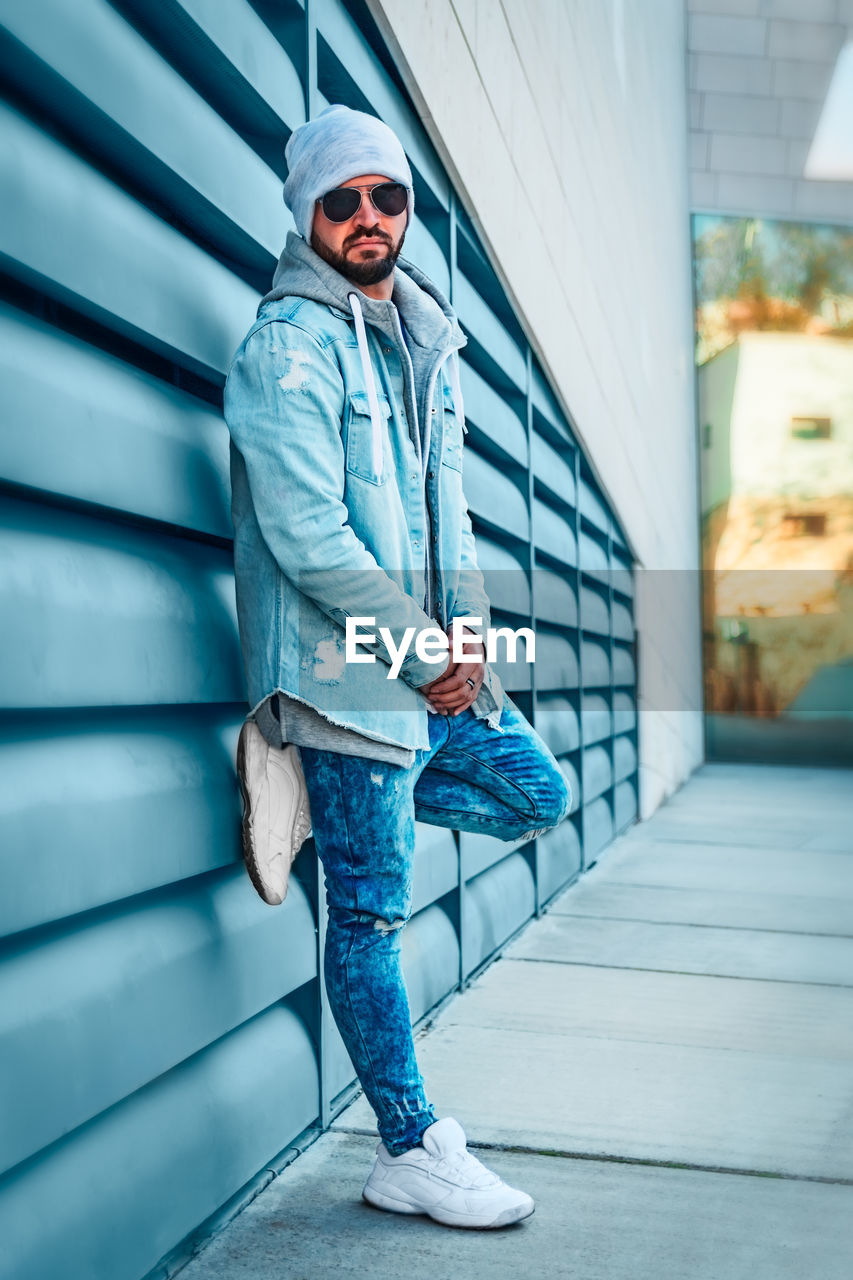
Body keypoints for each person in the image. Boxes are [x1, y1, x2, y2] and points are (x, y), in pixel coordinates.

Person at [224, 104, 572, 1230]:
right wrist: (421, 655)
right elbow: (309, 534)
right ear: (307, 215)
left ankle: (329, 804)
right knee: (369, 920)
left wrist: (463, 641)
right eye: (343, 201)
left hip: (423, 678)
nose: (369, 217)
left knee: (537, 789)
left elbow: (446, 518)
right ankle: (411, 1145)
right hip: (345, 675)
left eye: (387, 196)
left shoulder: (419, 333)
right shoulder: (290, 343)